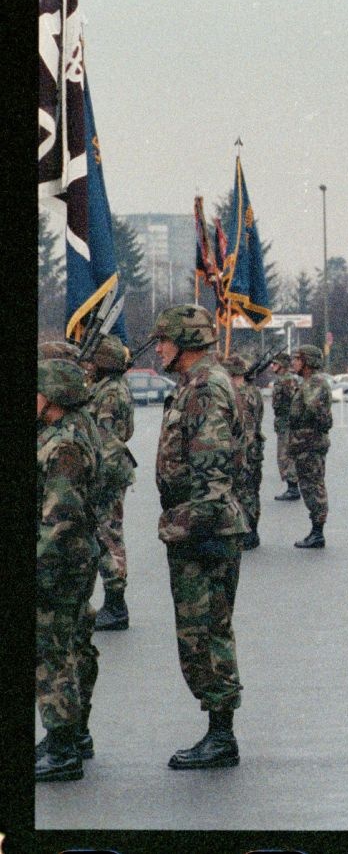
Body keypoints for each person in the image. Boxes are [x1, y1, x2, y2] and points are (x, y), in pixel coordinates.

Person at [150, 304, 248, 769]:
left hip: (203, 529)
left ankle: (221, 736)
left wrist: (199, 528)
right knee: (203, 632)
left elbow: (212, 470)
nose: (160, 348)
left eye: (165, 340)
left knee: (206, 633)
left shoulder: (206, 387)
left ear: (185, 342)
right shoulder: (195, 384)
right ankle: (218, 730)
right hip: (195, 525)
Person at [36, 358, 103, 782]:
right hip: (75, 558)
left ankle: (63, 748)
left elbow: (59, 519)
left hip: (59, 562)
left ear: (54, 396)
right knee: (73, 645)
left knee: (51, 650)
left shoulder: (64, 445)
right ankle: (73, 733)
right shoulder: (72, 430)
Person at [83, 334, 136, 631]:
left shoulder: (110, 393)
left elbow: (106, 439)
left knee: (108, 536)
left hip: (108, 472)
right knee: (106, 533)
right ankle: (113, 603)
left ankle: (116, 606)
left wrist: (95, 476)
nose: (89, 366)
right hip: (114, 469)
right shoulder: (111, 387)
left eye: (93, 361)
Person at [287, 344, 334, 549]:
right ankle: (315, 531)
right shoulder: (307, 382)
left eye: (298, 358)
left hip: (310, 444)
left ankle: (317, 533)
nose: (294, 362)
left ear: (308, 361)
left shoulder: (314, 383)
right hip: (304, 444)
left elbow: (314, 409)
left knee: (313, 486)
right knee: (309, 486)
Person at [224, 354, 265, 551]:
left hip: (245, 449)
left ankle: (248, 531)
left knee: (243, 491)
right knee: (253, 490)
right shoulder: (254, 392)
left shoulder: (237, 395)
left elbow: (244, 429)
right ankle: (253, 529)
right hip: (256, 447)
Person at [270, 352, 300, 502]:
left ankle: (293, 488)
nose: (272, 366)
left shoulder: (287, 380)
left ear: (281, 365)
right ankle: (292, 486)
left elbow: (295, 402)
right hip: (283, 422)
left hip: (287, 423)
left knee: (285, 456)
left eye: (275, 364)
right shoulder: (283, 380)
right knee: (285, 455)